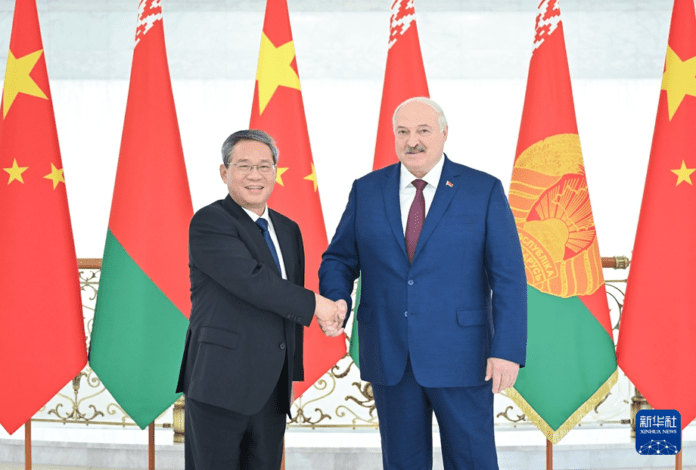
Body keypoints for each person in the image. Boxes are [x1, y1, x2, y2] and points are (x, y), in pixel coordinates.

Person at [318, 97, 527, 470]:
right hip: (390, 354)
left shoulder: (483, 190)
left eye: (423, 131)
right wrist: (338, 299)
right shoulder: (367, 190)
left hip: (464, 356)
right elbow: (339, 258)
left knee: (473, 461)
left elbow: (508, 276)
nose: (411, 141)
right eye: (403, 132)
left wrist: (507, 349)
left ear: (445, 133)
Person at [176, 129, 345, 470]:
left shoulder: (288, 228)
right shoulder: (210, 221)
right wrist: (319, 305)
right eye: (244, 166)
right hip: (219, 384)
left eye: (264, 166)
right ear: (224, 172)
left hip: (271, 390)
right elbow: (254, 282)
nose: (255, 175)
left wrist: (290, 376)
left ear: (275, 172)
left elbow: (286, 308)